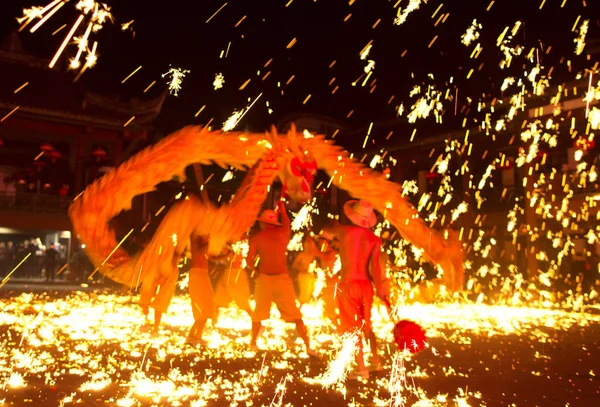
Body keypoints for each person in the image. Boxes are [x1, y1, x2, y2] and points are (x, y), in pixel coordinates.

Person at [323, 199, 390, 380]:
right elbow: (375, 266)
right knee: (366, 326)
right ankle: (375, 360)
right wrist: (380, 287)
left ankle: (361, 369)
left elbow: (326, 232)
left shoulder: (344, 231)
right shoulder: (374, 239)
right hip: (366, 286)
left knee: (352, 328)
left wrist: (332, 227)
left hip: (348, 286)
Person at [247, 199, 317, 356]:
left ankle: (253, 343)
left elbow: (249, 261)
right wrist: (283, 207)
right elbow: (286, 222)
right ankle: (308, 346)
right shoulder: (283, 233)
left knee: (258, 314)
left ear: (263, 223)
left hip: (265, 278)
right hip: (282, 279)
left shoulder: (257, 238)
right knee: (296, 316)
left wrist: (256, 270)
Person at [139, 252, 180, 332]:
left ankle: (154, 326)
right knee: (149, 294)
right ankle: (148, 322)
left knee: (159, 298)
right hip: (157, 260)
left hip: (166, 263)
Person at [187, 234, 216, 345]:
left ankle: (195, 335)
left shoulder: (204, 244)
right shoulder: (194, 241)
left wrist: (227, 254)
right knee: (201, 306)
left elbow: (211, 256)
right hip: (197, 275)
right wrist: (210, 237)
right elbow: (201, 249)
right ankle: (194, 336)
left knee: (208, 305)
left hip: (204, 274)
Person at [213, 244, 253, 320]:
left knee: (241, 300)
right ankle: (212, 322)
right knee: (219, 297)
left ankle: (257, 322)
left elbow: (232, 254)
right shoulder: (233, 240)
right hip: (230, 272)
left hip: (236, 273)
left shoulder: (238, 241)